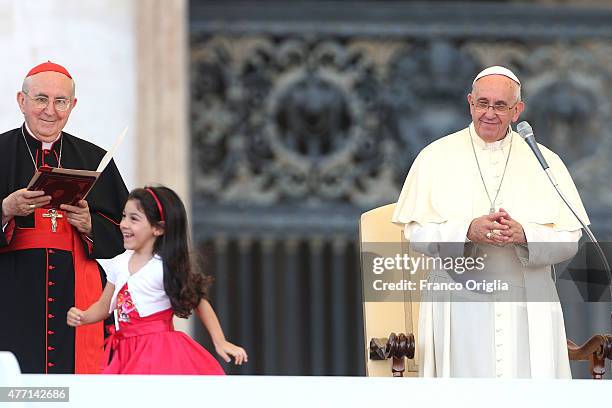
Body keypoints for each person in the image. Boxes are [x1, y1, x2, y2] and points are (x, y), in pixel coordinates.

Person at [392, 66, 589, 378]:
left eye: (500, 106)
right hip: (458, 303)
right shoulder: (435, 157)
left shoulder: (545, 161)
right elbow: (415, 233)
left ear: (517, 110)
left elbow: (569, 239)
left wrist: (525, 235)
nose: (489, 113)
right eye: (483, 103)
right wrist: (467, 231)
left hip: (528, 303)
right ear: (470, 103)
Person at [0, 61, 128, 374]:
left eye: (61, 101)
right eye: (41, 99)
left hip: (77, 296)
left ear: (72, 105)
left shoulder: (95, 158)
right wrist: (5, 210)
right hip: (11, 294)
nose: (50, 110)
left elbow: (127, 230)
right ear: (21, 101)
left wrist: (91, 226)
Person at [67, 186, 247, 374]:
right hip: (125, 352)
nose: (123, 224)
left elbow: (199, 301)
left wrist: (220, 341)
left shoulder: (164, 266)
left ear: (158, 228)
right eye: (123, 216)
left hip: (159, 350)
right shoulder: (119, 263)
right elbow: (105, 306)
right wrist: (84, 316)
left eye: (134, 219)